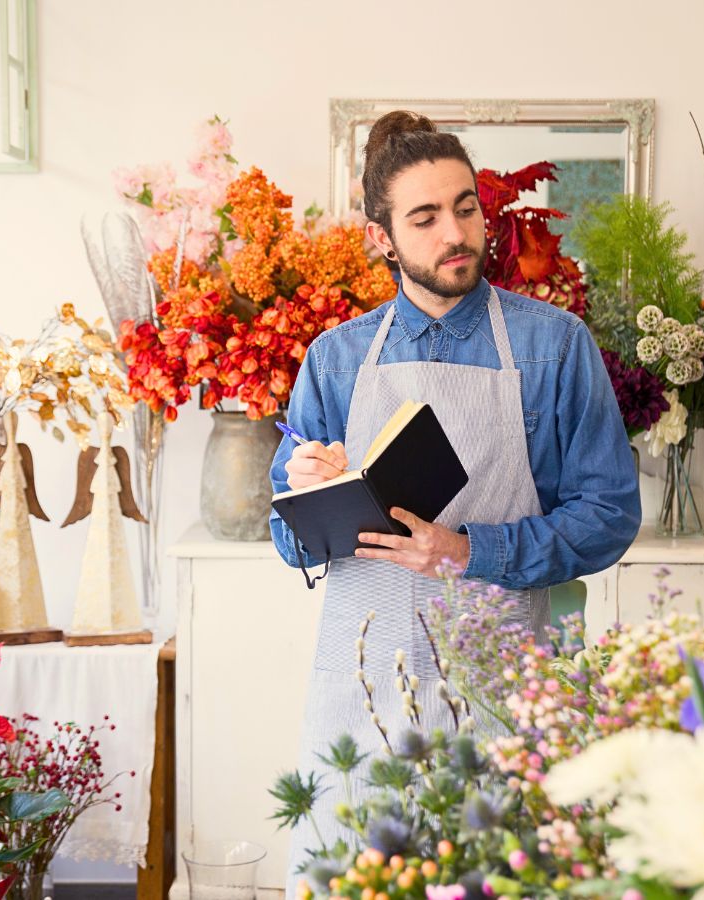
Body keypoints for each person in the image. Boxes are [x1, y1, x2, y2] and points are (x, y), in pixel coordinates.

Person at [268, 110, 640, 892]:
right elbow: (289, 537)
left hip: (505, 682)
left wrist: (471, 552)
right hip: (362, 687)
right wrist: (309, 494)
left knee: (507, 874)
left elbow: (609, 512)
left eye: (466, 206)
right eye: (426, 217)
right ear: (382, 238)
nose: (456, 232)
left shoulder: (555, 345)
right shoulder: (334, 362)